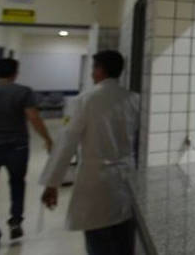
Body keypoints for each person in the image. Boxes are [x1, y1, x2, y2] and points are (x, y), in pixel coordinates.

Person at [39, 50, 139, 255]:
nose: (92, 73)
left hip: (96, 181)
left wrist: (52, 183)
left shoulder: (85, 100)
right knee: (124, 240)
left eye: (94, 68)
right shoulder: (133, 99)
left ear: (100, 70)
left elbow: (66, 144)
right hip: (126, 177)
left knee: (99, 240)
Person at [0, 58, 54, 250]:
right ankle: (15, 219)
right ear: (15, 73)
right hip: (17, 148)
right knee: (17, 183)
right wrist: (48, 138)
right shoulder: (23, 92)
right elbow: (34, 117)